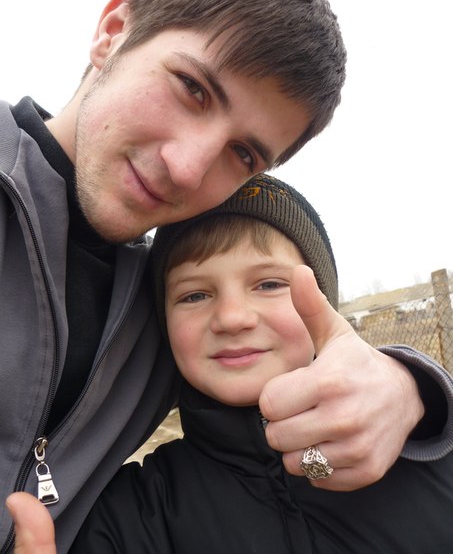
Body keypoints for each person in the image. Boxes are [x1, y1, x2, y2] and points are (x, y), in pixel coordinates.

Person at [1, 0, 452, 552]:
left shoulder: (152, 313)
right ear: (113, 31)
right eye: (192, 88)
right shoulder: (149, 509)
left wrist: (412, 391)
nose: (187, 169)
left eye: (243, 154)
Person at [9, 173, 453, 553]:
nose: (232, 318)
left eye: (269, 284)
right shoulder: (133, 515)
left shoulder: (426, 447)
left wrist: (420, 392)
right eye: (194, 295)